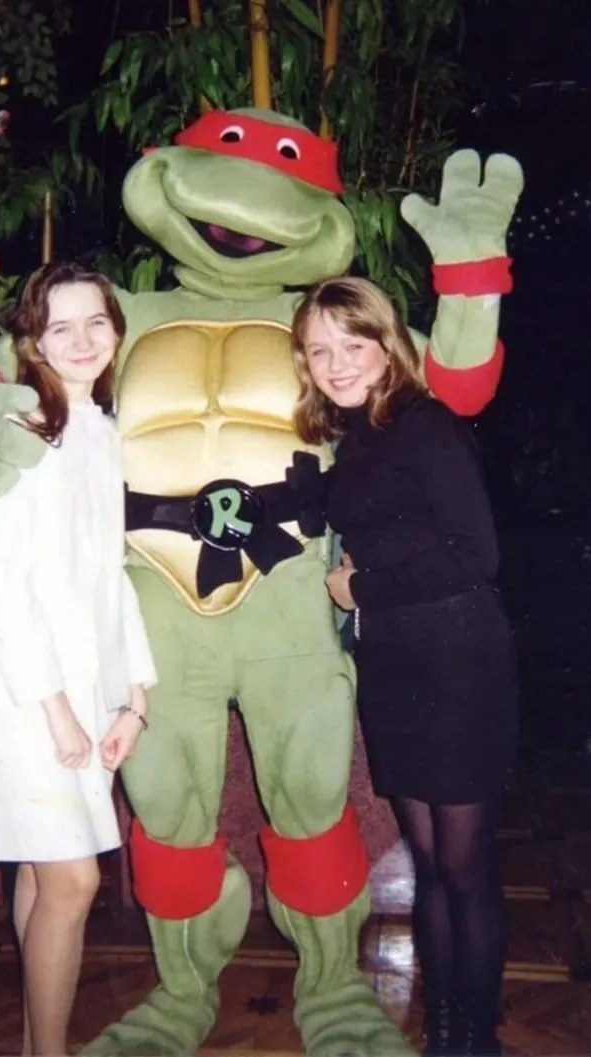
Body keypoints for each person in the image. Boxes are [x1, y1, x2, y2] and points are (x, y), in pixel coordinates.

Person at [0, 262, 158, 1057]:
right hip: (13, 684)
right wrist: (56, 708)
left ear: (117, 330)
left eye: (97, 322)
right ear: (33, 343)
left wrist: (134, 696)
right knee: (74, 879)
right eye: (61, 327)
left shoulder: (101, 429)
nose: (83, 340)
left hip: (76, 681)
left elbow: (109, 573)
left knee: (42, 871)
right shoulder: (14, 430)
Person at [291, 276, 518, 1057]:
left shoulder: (427, 426)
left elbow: (477, 554)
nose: (337, 363)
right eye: (320, 350)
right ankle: (444, 1030)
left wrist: (361, 588)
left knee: (464, 865)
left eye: (352, 344)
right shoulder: (357, 437)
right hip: (394, 662)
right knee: (427, 865)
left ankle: (475, 1038)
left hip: (459, 661)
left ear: (387, 345)